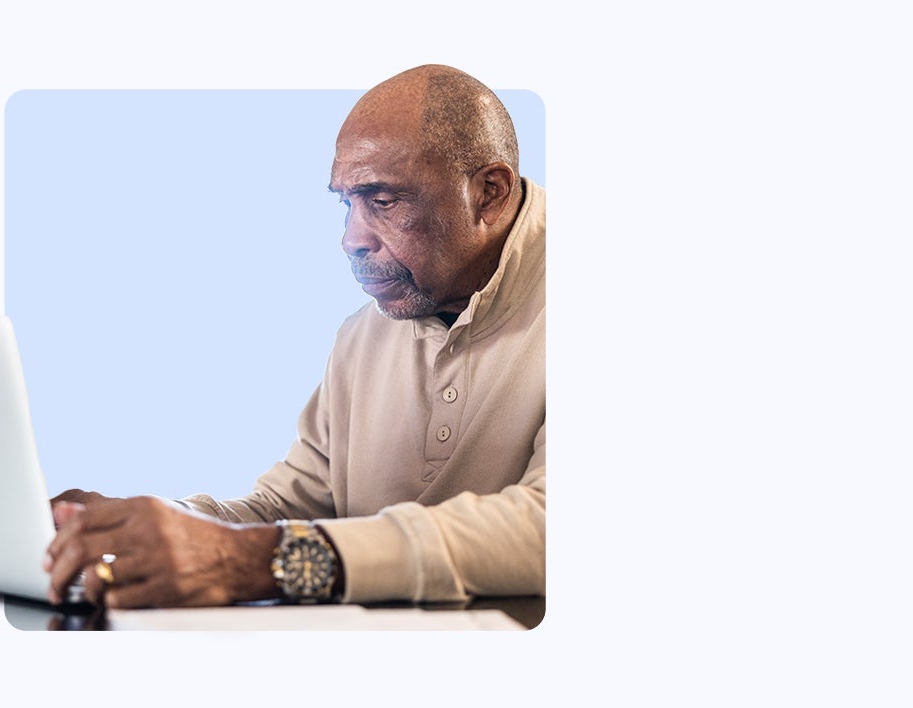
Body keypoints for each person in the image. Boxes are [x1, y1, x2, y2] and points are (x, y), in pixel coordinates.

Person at [42, 64, 545, 608]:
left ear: (489, 193)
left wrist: (256, 562)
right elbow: (290, 507)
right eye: (345, 203)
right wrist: (142, 531)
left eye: (384, 201)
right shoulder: (363, 334)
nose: (351, 239)